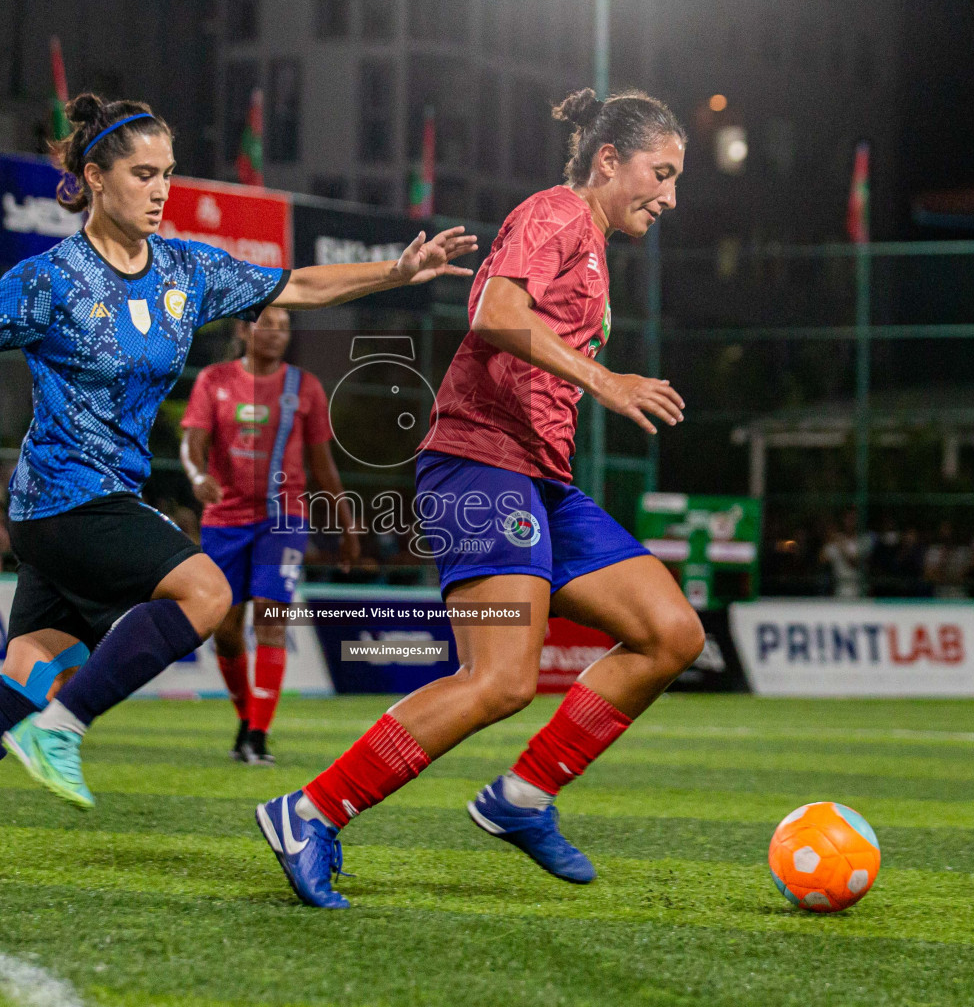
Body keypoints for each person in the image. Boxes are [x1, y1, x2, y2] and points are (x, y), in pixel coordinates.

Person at [0, 93, 476, 879]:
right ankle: (66, 727)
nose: (160, 188)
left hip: (90, 505)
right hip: (68, 498)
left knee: (24, 678)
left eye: (168, 173)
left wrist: (397, 271)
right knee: (206, 595)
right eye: (143, 173)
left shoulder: (187, 270)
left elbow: (300, 287)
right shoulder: (50, 280)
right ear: (95, 179)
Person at [255, 88, 702, 908]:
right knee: (500, 679)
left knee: (671, 632)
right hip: (478, 464)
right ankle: (309, 811)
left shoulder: (595, 244)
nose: (671, 196)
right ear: (610, 160)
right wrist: (604, 378)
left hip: (539, 479)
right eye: (661, 173)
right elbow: (493, 310)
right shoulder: (558, 212)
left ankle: (523, 797)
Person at [180, 307, 357, 765]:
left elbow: (322, 462)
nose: (277, 334)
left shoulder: (305, 388)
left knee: (272, 619)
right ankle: (246, 718)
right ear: (243, 330)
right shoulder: (213, 379)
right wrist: (197, 475)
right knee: (225, 628)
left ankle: (258, 734)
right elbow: (192, 441)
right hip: (224, 520)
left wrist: (345, 520)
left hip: (285, 518)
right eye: (267, 324)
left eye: (285, 326)